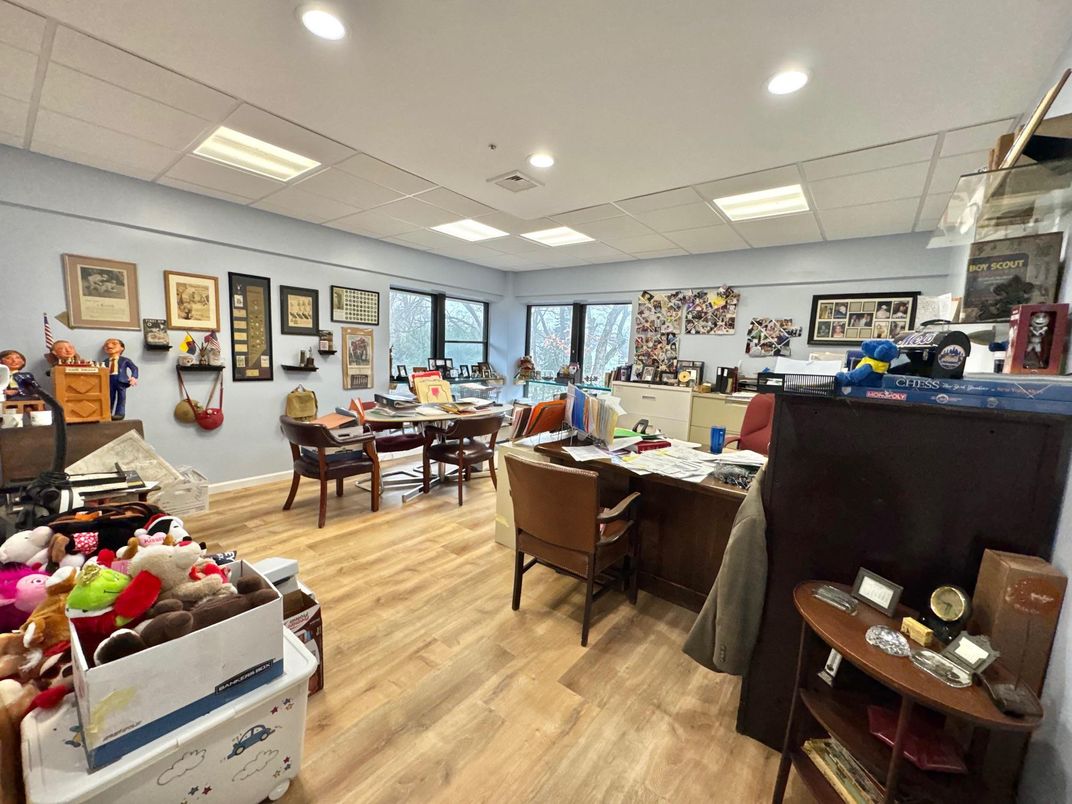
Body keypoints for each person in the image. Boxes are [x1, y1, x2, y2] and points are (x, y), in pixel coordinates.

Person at [103, 338, 138, 420]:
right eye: (106, 344)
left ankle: (120, 413)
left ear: (122, 348)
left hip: (121, 380)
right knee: (109, 397)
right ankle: (107, 413)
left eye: (114, 343)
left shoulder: (125, 360)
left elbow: (134, 368)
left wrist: (134, 377)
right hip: (109, 380)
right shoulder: (105, 361)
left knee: (121, 398)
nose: (109, 346)